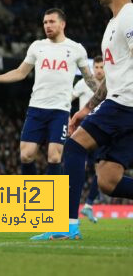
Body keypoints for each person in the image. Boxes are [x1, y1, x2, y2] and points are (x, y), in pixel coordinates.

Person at [32, 0, 133, 240]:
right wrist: (87, 108)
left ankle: (67, 225)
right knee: (109, 181)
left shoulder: (129, 17)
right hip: (118, 101)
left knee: (74, 148)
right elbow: (110, 78)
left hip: (125, 104)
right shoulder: (114, 23)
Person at [0, 8, 96, 175]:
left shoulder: (76, 49)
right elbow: (20, 72)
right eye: (45, 22)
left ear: (62, 24)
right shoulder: (37, 46)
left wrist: (106, 95)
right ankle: (33, 198)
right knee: (26, 155)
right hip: (36, 109)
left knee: (54, 157)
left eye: (51, 21)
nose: (47, 25)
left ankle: (52, 199)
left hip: (59, 111)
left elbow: (89, 78)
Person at [71, 56, 105, 223]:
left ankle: (89, 206)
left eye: (101, 67)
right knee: (78, 168)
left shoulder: (111, 85)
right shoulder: (83, 84)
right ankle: (68, 207)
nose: (98, 70)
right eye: (96, 67)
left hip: (101, 132)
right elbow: (68, 98)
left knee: (101, 171)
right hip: (83, 132)